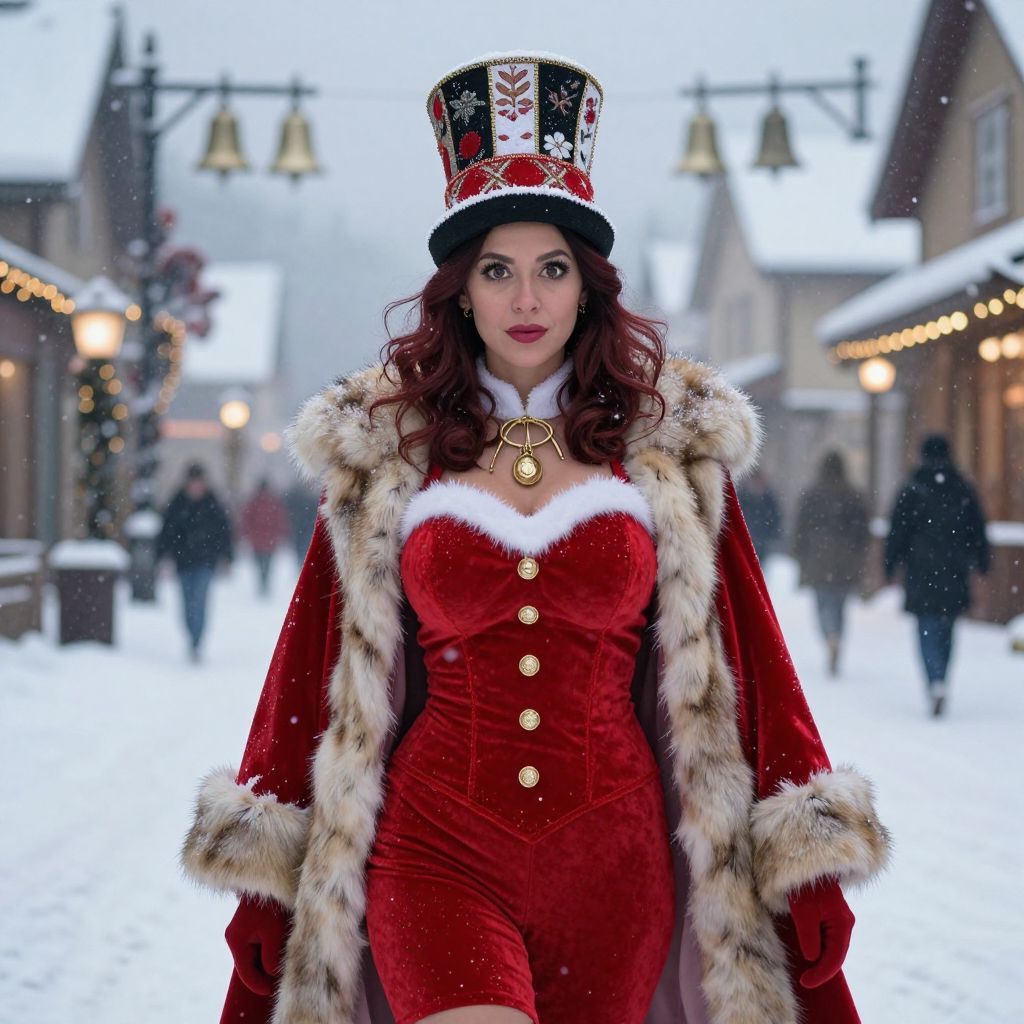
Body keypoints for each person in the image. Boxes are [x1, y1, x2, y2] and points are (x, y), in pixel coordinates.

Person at [182, 53, 890, 1024]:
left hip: (614, 864)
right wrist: (269, 865)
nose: (525, 298)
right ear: (459, 290)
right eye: (497, 270)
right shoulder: (390, 455)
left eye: (551, 268)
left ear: (585, 287)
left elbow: (750, 664)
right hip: (432, 849)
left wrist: (800, 854)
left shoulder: (664, 452)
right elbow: (310, 669)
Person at [884, 433, 990, 717]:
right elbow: (977, 529)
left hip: (921, 571)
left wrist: (890, 564)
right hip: (954, 570)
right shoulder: (963, 488)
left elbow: (897, 532)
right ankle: (942, 676)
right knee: (947, 628)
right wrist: (982, 561)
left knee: (926, 629)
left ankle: (934, 679)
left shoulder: (912, 488)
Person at [794, 451, 870, 677]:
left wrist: (799, 553)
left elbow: (801, 529)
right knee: (839, 604)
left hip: (818, 559)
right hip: (844, 562)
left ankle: (829, 636)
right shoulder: (854, 495)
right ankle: (836, 635)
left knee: (822, 603)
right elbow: (862, 531)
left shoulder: (811, 495)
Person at [157, 462, 233, 661]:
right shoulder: (177, 503)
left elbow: (224, 532)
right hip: (183, 563)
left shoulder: (212, 503)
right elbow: (167, 532)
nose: (197, 487)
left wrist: (227, 557)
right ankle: (191, 636)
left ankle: (197, 641)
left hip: (205, 562)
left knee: (199, 601)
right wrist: (163, 557)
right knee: (186, 602)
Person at [239, 479, 290, 596]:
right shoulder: (269, 502)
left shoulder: (256, 502)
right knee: (264, 564)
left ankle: (263, 583)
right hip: (266, 541)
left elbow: (246, 520)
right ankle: (264, 582)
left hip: (262, 541)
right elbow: (280, 520)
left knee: (263, 564)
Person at [736, 468, 783, 564]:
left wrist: (771, 538)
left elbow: (775, 520)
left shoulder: (769, 501)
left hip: (762, 544)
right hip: (744, 542)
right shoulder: (742, 498)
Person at [283, 478, 320, 560]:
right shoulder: (304, 499)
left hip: (303, 532)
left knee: (303, 553)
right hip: (301, 531)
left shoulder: (310, 500)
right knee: (302, 553)